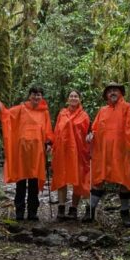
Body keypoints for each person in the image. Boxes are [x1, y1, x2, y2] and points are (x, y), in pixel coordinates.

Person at [0, 86, 53, 222]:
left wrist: (49, 143)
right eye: (34, 94)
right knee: (21, 182)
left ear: (41, 97)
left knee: (34, 182)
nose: (36, 97)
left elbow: (48, 130)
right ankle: (19, 211)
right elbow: (6, 114)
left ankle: (32, 212)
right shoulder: (21, 108)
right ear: (29, 96)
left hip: (37, 152)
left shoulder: (44, 113)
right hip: (22, 152)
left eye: (39, 95)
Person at [86, 82, 130, 224]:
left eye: (115, 90)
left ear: (120, 92)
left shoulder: (128, 107)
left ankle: (125, 212)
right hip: (103, 152)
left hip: (122, 152)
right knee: (98, 179)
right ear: (106, 95)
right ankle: (90, 210)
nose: (113, 93)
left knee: (125, 180)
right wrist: (91, 134)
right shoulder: (102, 110)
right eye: (110, 91)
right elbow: (95, 128)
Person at [51, 90, 91, 220]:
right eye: (71, 96)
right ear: (68, 99)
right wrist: (52, 146)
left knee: (77, 180)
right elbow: (57, 130)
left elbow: (87, 134)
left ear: (80, 99)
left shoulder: (84, 116)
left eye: (76, 96)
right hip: (63, 151)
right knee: (61, 177)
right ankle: (61, 208)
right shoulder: (62, 113)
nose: (73, 98)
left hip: (79, 152)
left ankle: (73, 209)